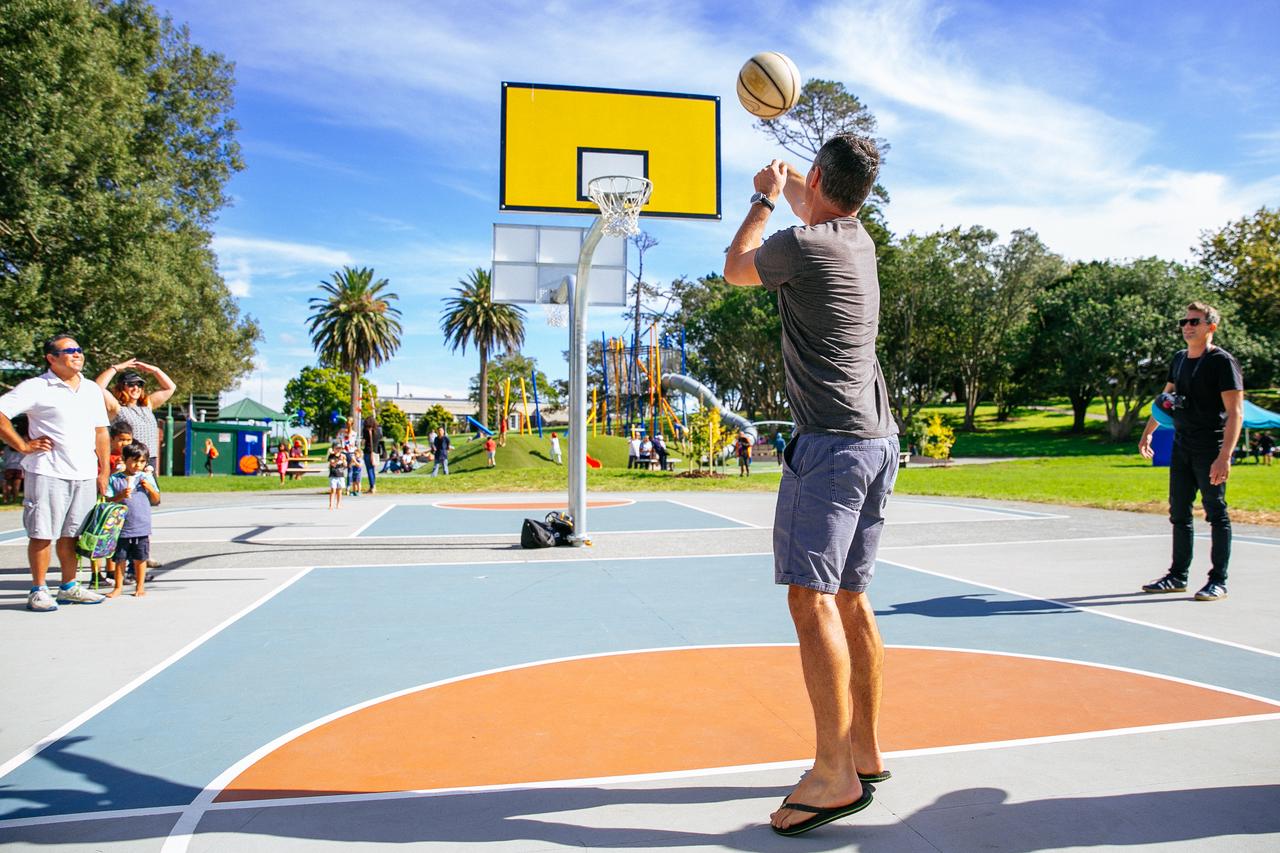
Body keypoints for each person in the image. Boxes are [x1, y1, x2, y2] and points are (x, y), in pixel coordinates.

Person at [724, 136, 898, 835]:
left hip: (829, 445)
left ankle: (832, 772)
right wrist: (796, 175)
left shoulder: (803, 244)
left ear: (821, 179)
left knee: (810, 597)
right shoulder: (858, 239)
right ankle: (864, 747)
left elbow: (737, 269)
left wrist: (763, 196)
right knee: (851, 597)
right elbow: (818, 203)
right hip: (878, 442)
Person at [1138, 302, 1244, 602]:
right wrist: (1148, 432)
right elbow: (1164, 401)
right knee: (1179, 512)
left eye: (1194, 321)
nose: (1187, 326)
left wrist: (1225, 455)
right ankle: (1177, 576)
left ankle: (1218, 580)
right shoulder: (1179, 359)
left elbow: (1235, 413)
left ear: (1211, 326)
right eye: (1184, 321)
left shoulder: (1222, 362)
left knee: (1216, 513)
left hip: (1210, 446)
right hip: (1181, 444)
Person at [0, 334, 111, 612]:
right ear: (51, 358)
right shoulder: (37, 387)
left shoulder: (90, 389)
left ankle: (69, 586)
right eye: (69, 350)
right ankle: (38, 590)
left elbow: (101, 432)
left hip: (84, 473)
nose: (77, 354)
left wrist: (104, 470)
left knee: (72, 535)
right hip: (48, 471)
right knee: (42, 533)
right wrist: (23, 446)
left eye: (79, 350)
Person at [95, 359, 177, 472]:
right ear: (121, 387)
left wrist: (155, 370)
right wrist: (115, 368)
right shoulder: (117, 408)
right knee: (127, 490)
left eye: (139, 384)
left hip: (148, 460)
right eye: (131, 384)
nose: (136, 388)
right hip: (128, 460)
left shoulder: (147, 405)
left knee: (150, 489)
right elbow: (98, 387)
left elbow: (170, 388)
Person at [105, 441, 160, 597]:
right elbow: (108, 499)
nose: (138, 465)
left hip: (141, 526)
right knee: (120, 559)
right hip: (121, 526)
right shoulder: (115, 479)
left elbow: (156, 499)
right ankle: (118, 587)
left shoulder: (146, 478)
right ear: (125, 459)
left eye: (142, 461)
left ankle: (140, 586)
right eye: (134, 461)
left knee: (140, 558)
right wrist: (120, 496)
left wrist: (149, 488)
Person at [2, 414, 28, 504]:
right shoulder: (21, 449)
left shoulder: (7, 448)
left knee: (7, 484)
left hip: (9, 467)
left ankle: (6, 499)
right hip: (18, 468)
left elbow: (4, 457)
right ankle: (14, 500)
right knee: (16, 485)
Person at [361, 416, 381, 494]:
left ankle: (372, 486)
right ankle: (373, 485)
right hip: (375, 451)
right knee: (373, 470)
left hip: (368, 451)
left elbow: (364, 440)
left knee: (369, 470)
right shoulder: (378, 431)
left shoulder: (366, 431)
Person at [327, 444, 347, 510]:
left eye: (339, 448)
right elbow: (333, 464)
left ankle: (338, 504)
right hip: (333, 475)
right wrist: (338, 460)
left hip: (341, 475)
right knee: (333, 490)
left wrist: (344, 460)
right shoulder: (331, 456)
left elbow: (345, 465)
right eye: (337, 448)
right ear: (334, 449)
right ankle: (331, 504)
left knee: (339, 491)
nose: (338, 450)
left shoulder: (343, 456)